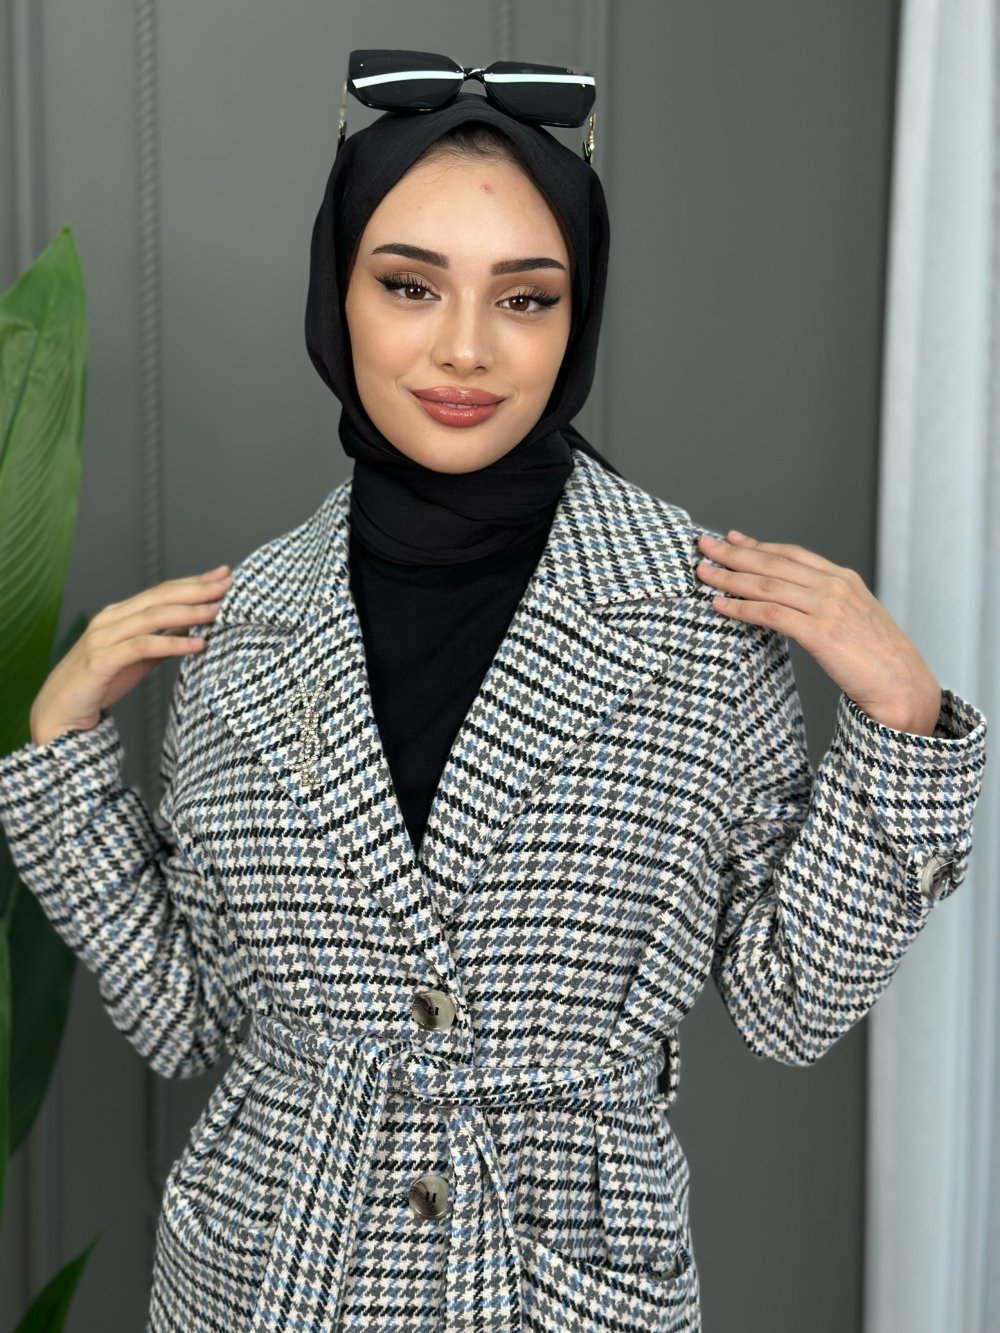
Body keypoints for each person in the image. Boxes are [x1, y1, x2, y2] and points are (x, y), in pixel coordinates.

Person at [0, 58, 988, 1333]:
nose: (464, 347)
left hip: (561, 1280)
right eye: (408, 285)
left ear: (577, 317)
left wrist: (903, 726)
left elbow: (788, 1005)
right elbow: (192, 1022)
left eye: (525, 297)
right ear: (337, 292)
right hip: (260, 1278)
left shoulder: (699, 617)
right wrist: (61, 749)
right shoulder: (243, 628)